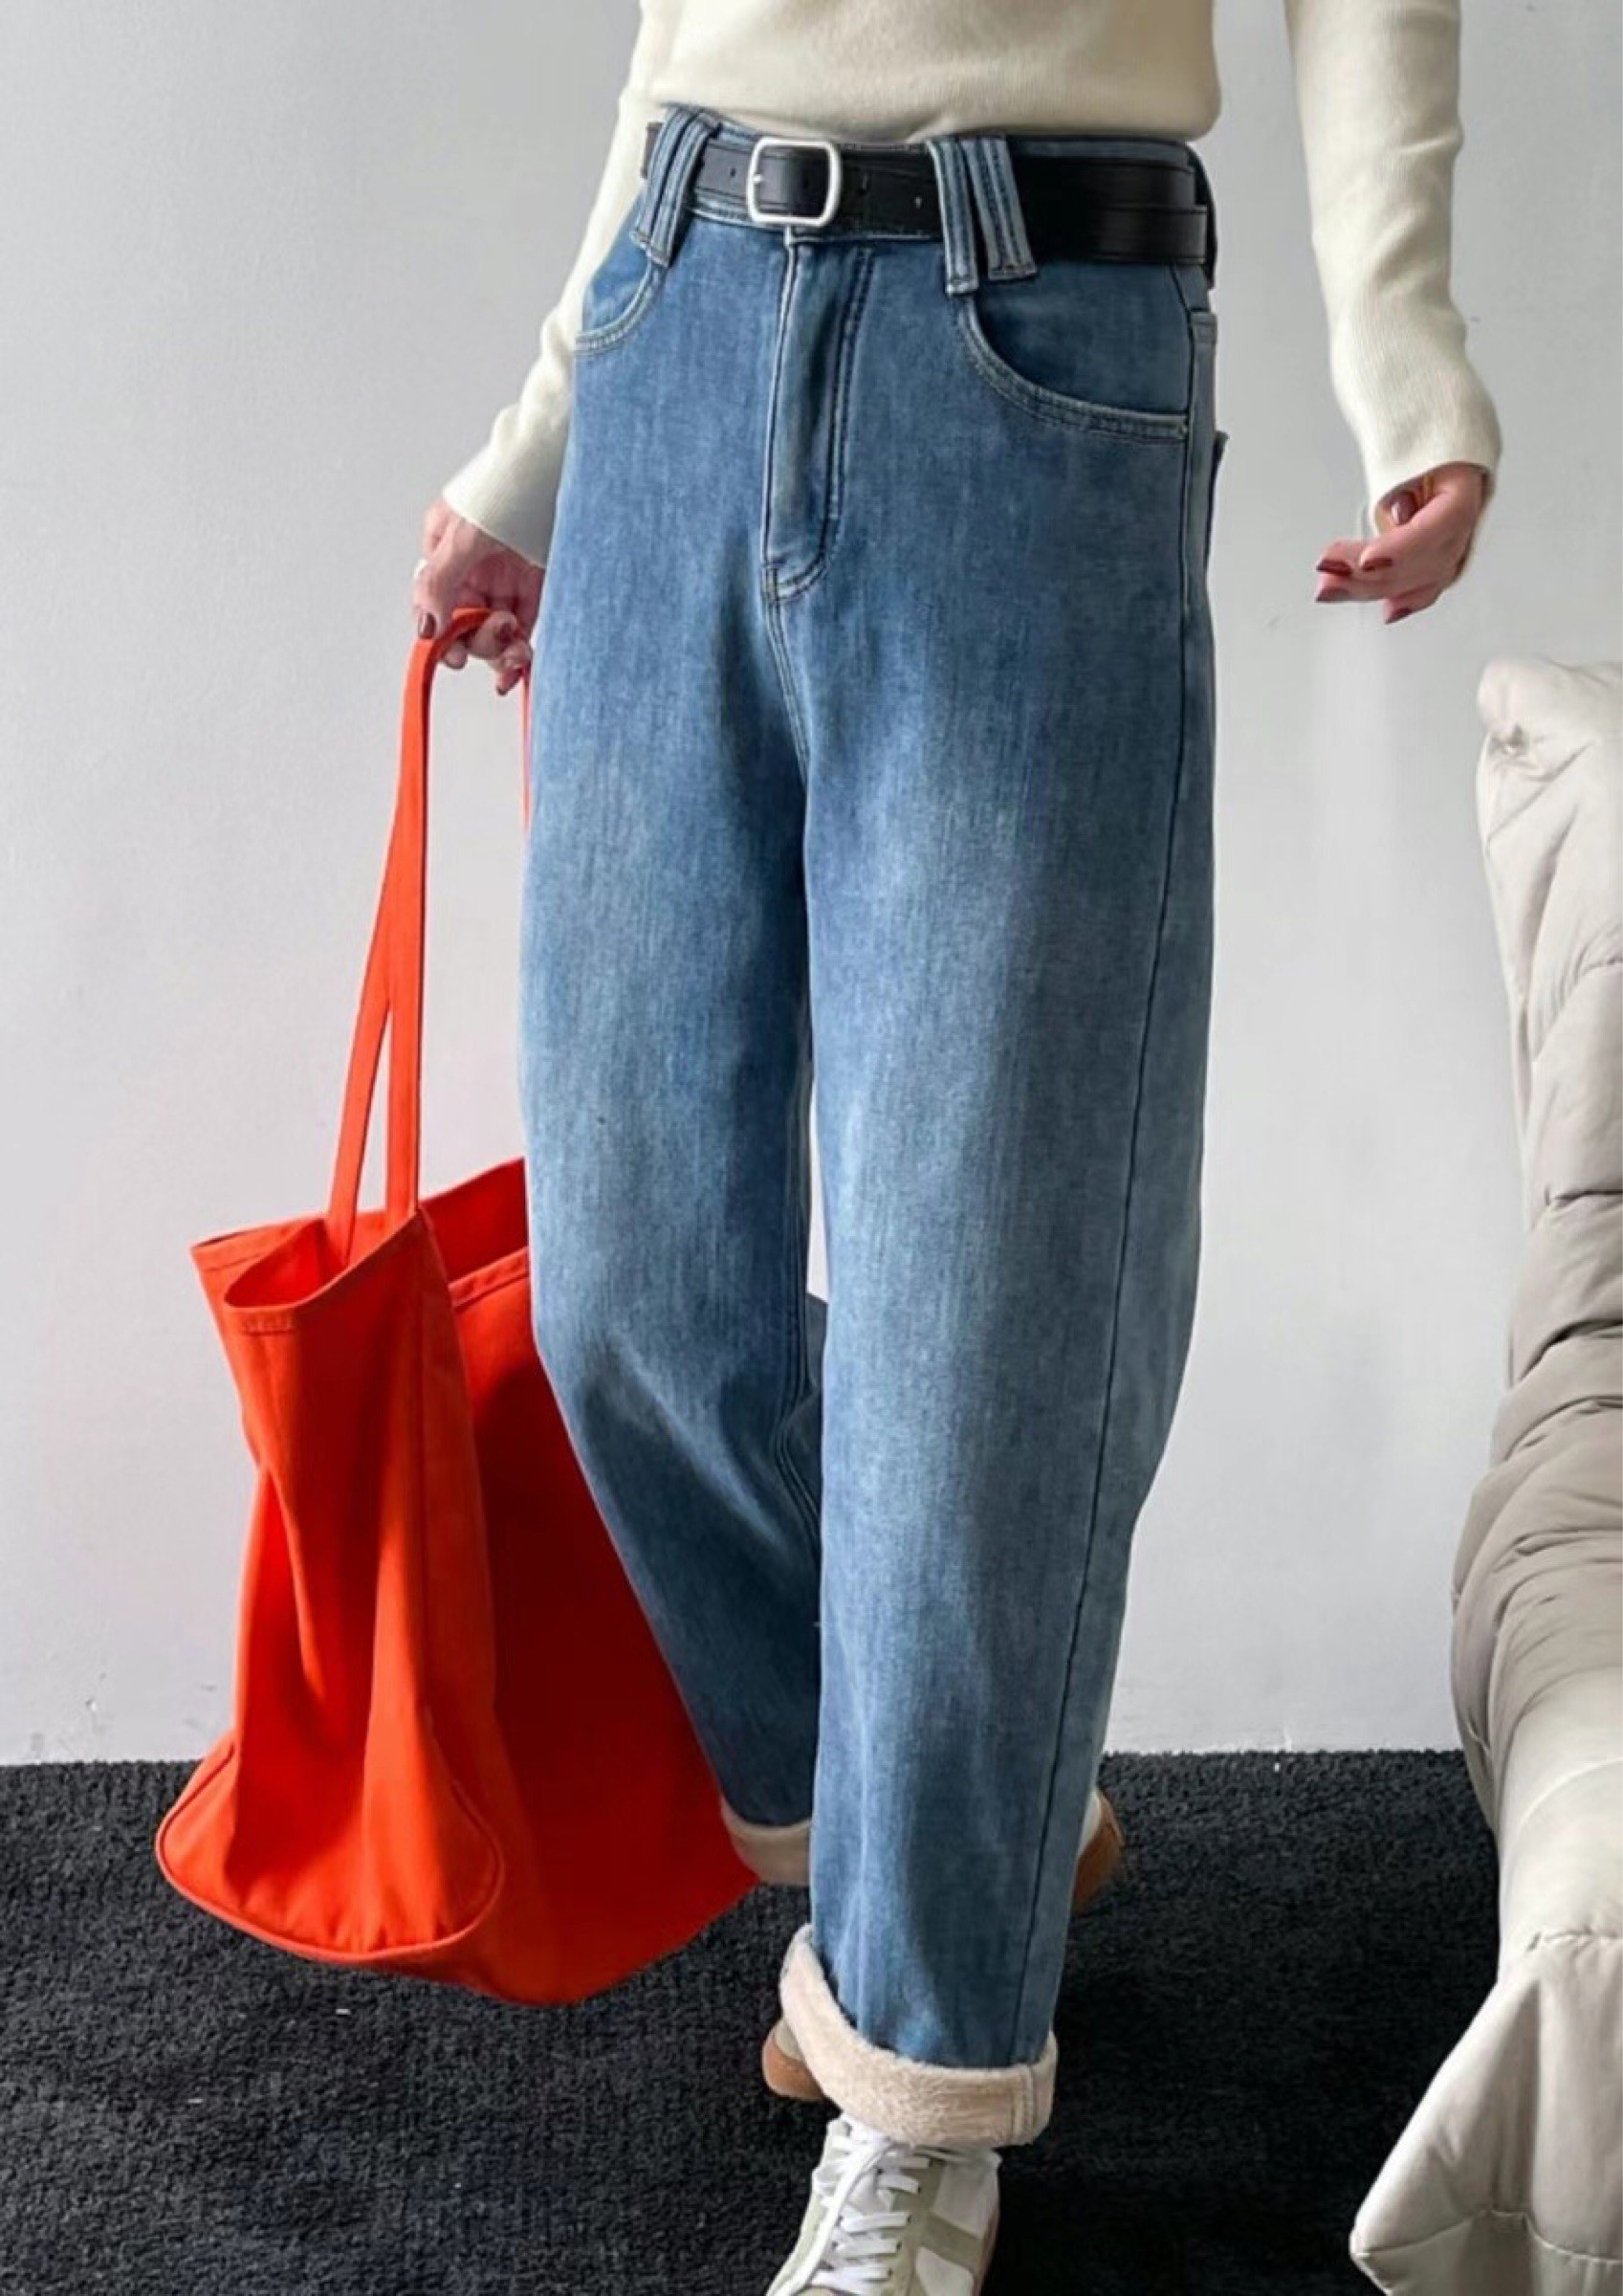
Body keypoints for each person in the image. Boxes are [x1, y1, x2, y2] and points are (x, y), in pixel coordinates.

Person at [412, 7, 1501, 2289]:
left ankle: (926, 2087)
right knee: (629, 1293)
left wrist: (1408, 362)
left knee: (986, 1288)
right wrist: (540, 447)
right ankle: (966, 1828)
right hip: (680, 303)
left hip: (1039, 341)